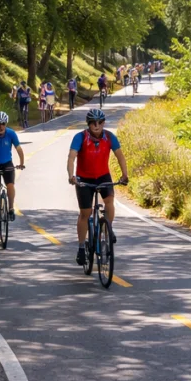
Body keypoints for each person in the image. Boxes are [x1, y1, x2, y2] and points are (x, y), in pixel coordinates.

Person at [67, 108, 129, 267]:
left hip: (102, 176)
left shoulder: (109, 137)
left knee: (109, 202)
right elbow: (72, 157)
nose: (96, 125)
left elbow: (120, 156)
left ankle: (107, 229)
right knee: (85, 213)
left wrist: (124, 175)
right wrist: (71, 176)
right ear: (88, 124)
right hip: (83, 178)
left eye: (100, 122)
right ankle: (81, 247)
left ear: (103, 123)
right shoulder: (80, 137)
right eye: (93, 123)